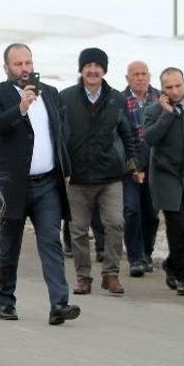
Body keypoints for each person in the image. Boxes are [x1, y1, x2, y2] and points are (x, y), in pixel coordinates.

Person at [0, 43, 80, 325]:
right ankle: (6, 301)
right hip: (11, 185)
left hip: (47, 183)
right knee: (8, 247)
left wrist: (66, 169)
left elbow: (58, 135)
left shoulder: (49, 93)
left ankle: (59, 304)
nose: (24, 69)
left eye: (28, 63)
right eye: (18, 64)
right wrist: (20, 108)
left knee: (51, 241)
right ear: (6, 68)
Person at [59, 48, 140, 295]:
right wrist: (63, 168)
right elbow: (59, 138)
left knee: (115, 224)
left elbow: (129, 136)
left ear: (104, 70)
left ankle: (111, 274)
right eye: (88, 65)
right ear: (81, 69)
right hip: (77, 178)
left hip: (110, 177)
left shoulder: (116, 99)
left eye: (98, 66)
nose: (93, 70)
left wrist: (135, 166)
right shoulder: (65, 98)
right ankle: (83, 276)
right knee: (78, 230)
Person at [143, 67, 184, 296]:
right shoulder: (153, 110)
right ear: (162, 89)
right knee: (176, 227)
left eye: (178, 86)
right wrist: (167, 113)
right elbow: (150, 138)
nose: (174, 91)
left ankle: (171, 263)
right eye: (169, 87)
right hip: (167, 176)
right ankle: (183, 276)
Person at [122, 60, 161, 277]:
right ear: (127, 78)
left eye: (143, 73)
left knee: (151, 213)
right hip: (130, 166)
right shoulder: (120, 100)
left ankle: (147, 253)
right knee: (131, 210)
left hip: (155, 165)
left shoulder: (160, 98)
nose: (140, 77)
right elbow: (121, 137)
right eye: (135, 74)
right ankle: (135, 258)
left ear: (149, 75)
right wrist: (134, 166)